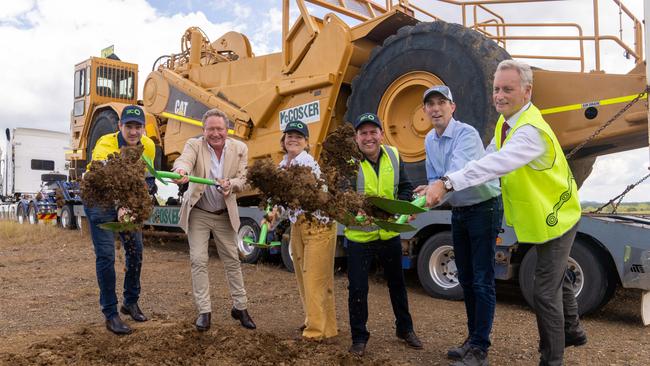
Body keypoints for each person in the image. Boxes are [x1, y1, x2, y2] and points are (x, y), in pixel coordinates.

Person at [424, 60, 587, 366]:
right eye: (496, 89)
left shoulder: (530, 132)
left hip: (559, 215)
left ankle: (551, 360)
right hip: (542, 217)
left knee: (543, 291)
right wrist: (438, 185)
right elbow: (489, 156)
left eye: (507, 89)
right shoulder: (506, 123)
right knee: (553, 276)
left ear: (527, 91)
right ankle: (574, 329)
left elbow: (495, 165)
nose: (499, 95)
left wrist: (446, 183)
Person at [413, 86, 502, 366]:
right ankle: (473, 339)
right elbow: (437, 178)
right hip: (460, 210)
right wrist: (424, 193)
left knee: (481, 278)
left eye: (442, 102)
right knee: (465, 278)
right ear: (425, 111)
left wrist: (436, 190)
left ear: (453, 107)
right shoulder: (429, 139)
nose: (436, 108)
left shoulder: (466, 134)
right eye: (430, 104)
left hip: (484, 207)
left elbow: (455, 174)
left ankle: (480, 348)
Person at [345, 112, 423, 356]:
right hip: (360, 237)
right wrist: (354, 209)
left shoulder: (393, 155)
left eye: (373, 132)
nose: (369, 137)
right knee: (358, 289)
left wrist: (403, 208)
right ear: (356, 137)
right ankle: (359, 337)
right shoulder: (348, 161)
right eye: (363, 133)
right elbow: (342, 195)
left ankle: (405, 329)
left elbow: (406, 188)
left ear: (381, 133)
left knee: (397, 284)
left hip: (388, 234)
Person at [172, 108, 256, 331]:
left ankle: (241, 308)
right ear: (204, 130)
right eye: (210, 129)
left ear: (227, 130)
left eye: (220, 128)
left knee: (232, 260)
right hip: (199, 212)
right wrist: (181, 170)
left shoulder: (240, 148)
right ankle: (204, 312)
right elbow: (185, 161)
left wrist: (232, 184)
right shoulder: (195, 145)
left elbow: (243, 178)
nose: (215, 133)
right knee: (198, 260)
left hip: (224, 214)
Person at [84, 105, 154, 335]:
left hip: (127, 200)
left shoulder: (149, 146)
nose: (133, 132)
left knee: (135, 250)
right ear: (120, 126)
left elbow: (148, 179)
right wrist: (120, 203)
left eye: (138, 127)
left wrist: (133, 203)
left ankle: (130, 301)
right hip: (100, 199)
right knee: (106, 255)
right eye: (129, 126)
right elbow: (109, 177)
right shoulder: (106, 144)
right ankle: (110, 313)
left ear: (143, 128)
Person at [266, 120, 338, 340]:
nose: (293, 139)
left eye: (299, 136)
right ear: (283, 141)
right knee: (303, 277)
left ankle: (315, 333)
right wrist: (271, 216)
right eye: (289, 135)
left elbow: (293, 194)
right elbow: (279, 200)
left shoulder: (305, 163)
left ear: (307, 143)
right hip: (299, 225)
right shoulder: (283, 164)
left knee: (315, 278)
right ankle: (319, 323)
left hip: (319, 225)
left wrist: (278, 206)